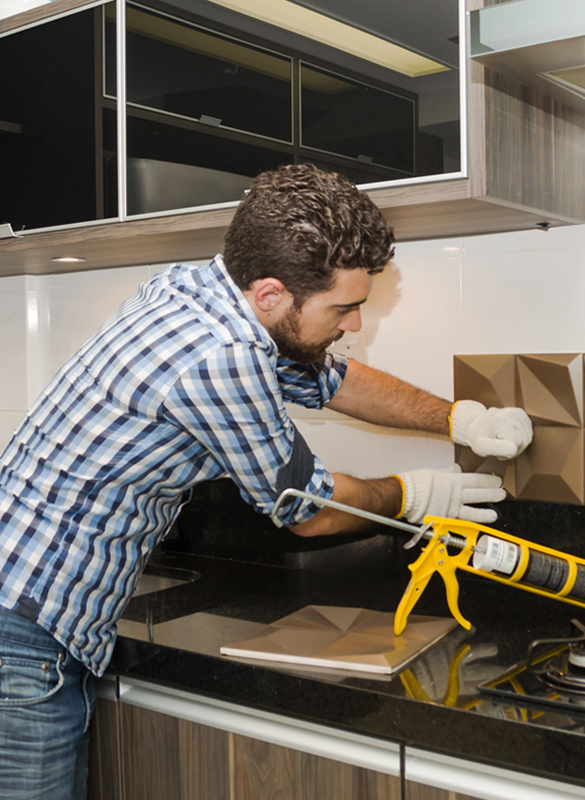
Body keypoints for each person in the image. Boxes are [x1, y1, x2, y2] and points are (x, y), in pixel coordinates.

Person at [0, 163, 532, 799]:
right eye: (345, 308)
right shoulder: (217, 354)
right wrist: (417, 496)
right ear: (272, 294)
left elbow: (330, 379)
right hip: (24, 634)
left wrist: (460, 419)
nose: (355, 325)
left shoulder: (195, 289)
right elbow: (308, 508)